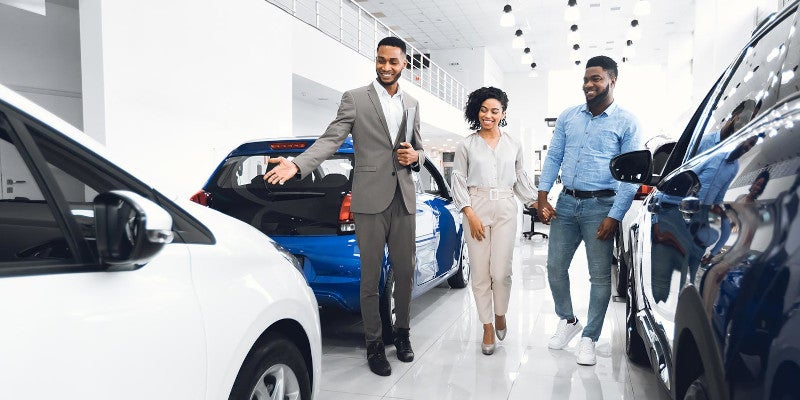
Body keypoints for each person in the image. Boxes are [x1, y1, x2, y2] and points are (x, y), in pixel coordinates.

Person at [264, 36, 424, 377]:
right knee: (370, 278)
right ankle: (374, 344)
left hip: (404, 199)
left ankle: (403, 334)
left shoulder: (411, 103)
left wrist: (417, 157)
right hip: (368, 201)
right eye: (380, 60)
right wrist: (297, 164)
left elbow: (417, 149)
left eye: (392, 62)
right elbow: (330, 139)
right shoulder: (355, 98)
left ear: (404, 64)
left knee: (406, 273)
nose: (385, 67)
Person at [536, 55, 642, 365]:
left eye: (596, 78)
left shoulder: (627, 121)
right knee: (555, 266)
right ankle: (568, 321)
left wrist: (615, 215)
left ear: (612, 80)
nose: (589, 84)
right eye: (586, 79)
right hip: (566, 203)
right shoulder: (569, 116)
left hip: (601, 205)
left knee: (599, 277)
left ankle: (590, 338)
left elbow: (631, 175)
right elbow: (554, 157)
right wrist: (543, 197)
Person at [451, 87, 537, 355]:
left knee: (501, 273)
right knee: (479, 273)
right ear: (477, 111)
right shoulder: (466, 144)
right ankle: (487, 326)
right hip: (475, 206)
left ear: (503, 113)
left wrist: (538, 203)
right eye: (484, 109)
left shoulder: (513, 144)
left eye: (494, 111)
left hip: (505, 206)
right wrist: (469, 212)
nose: (488, 115)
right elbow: (458, 180)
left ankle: (501, 313)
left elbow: (521, 179)